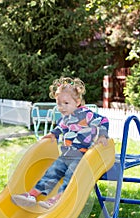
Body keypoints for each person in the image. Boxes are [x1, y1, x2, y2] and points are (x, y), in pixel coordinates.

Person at [11, 76, 109, 209]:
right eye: (59, 103)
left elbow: (103, 120)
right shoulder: (66, 117)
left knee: (70, 176)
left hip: (81, 156)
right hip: (66, 154)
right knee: (52, 172)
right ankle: (32, 195)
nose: (62, 107)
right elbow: (60, 128)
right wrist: (53, 134)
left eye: (66, 103)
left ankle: (59, 198)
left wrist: (103, 135)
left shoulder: (86, 114)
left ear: (78, 101)